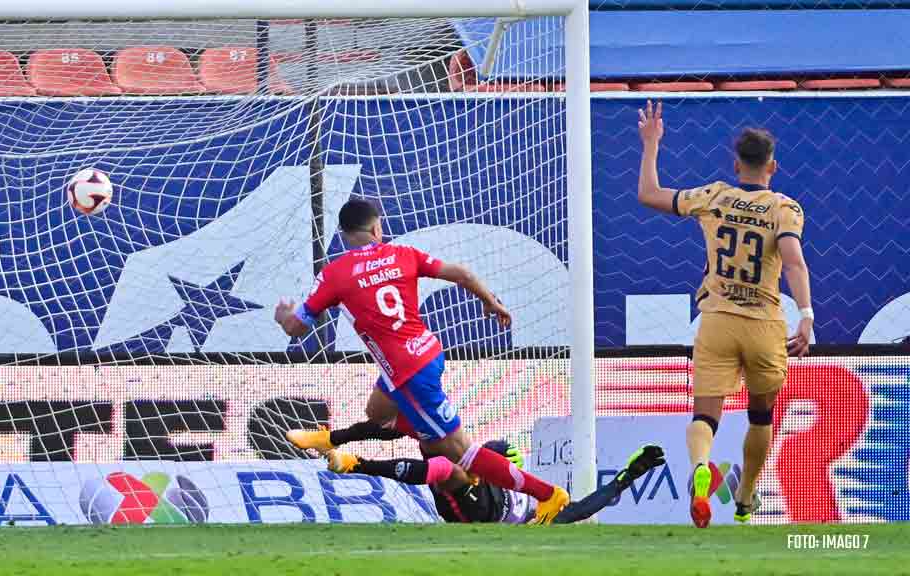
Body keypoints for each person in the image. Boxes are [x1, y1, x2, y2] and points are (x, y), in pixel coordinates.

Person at [275, 198, 570, 524]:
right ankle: (336, 438)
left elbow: (296, 327)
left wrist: (284, 315)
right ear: (377, 227)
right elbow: (462, 273)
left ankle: (547, 494)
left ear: (345, 235)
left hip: (408, 373)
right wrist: (491, 301)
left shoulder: (335, 274)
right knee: (378, 412)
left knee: (462, 452)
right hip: (424, 353)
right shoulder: (404, 255)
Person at [636, 101, 813, 527]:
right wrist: (805, 314)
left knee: (705, 414)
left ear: (737, 165)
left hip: (715, 320)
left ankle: (701, 466)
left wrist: (651, 144)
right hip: (764, 325)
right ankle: (746, 498)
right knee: (760, 413)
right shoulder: (783, 208)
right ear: (772, 166)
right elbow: (793, 260)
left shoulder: (714, 196)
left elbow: (648, 195)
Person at [290, 421, 665, 525]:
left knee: (446, 471)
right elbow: (488, 455)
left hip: (476, 515)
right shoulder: (527, 486)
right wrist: (496, 451)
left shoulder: (542, 518)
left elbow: (583, 509)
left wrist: (630, 474)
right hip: (477, 487)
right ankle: (338, 444)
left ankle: (356, 463)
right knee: (430, 437)